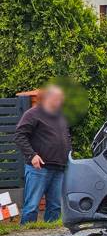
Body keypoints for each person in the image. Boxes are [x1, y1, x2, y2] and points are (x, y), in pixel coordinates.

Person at [13, 85, 71, 224]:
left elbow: (66, 137)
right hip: (38, 168)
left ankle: (50, 233)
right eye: (57, 98)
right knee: (32, 206)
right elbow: (19, 136)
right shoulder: (33, 114)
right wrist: (32, 155)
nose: (60, 101)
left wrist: (69, 155)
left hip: (59, 168)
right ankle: (27, 232)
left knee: (55, 206)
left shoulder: (60, 115)